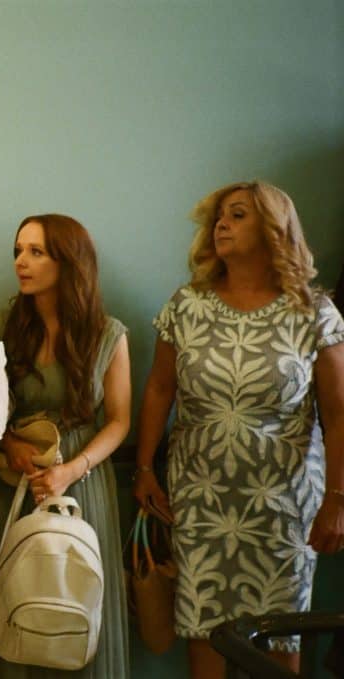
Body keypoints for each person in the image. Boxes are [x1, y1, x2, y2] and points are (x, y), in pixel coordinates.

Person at [133, 181, 344, 678]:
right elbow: (159, 390)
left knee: (280, 637)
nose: (221, 225)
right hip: (200, 500)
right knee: (204, 632)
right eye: (218, 218)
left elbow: (337, 413)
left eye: (238, 215)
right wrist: (143, 468)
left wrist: (338, 498)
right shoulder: (187, 305)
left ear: (274, 227)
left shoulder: (314, 312)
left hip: (284, 504)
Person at [0, 214, 131, 678]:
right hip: (14, 481)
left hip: (82, 481)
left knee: (72, 597)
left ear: (69, 261)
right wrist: (9, 441)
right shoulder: (8, 326)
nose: (22, 261)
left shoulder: (108, 333)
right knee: (16, 599)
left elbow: (119, 422)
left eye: (36, 251)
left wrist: (71, 470)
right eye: (19, 250)